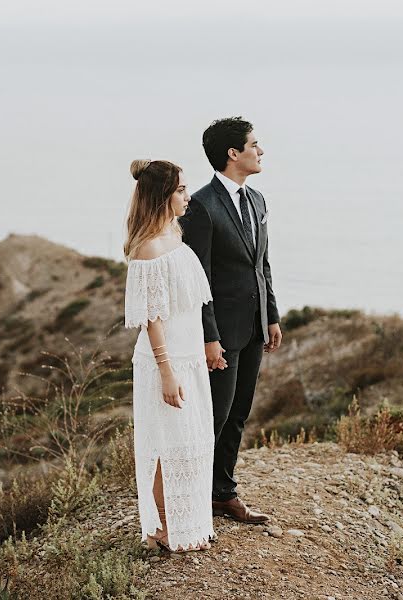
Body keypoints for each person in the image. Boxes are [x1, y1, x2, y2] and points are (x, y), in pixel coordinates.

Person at [179, 117, 283, 524]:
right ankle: (193, 496)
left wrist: (271, 315)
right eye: (254, 144)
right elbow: (197, 277)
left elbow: (263, 264)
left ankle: (223, 493)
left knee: (239, 413)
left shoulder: (257, 201)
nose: (261, 151)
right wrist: (208, 336)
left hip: (254, 324)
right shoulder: (201, 205)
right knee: (215, 416)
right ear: (232, 154)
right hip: (219, 333)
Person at [123, 158, 220, 552]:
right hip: (166, 361)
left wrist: (203, 348)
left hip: (189, 355)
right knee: (166, 446)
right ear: (163, 195)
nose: (188, 196)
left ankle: (187, 524)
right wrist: (166, 370)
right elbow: (151, 317)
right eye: (181, 189)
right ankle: (163, 529)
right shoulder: (147, 248)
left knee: (194, 443)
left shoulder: (176, 235)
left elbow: (187, 305)